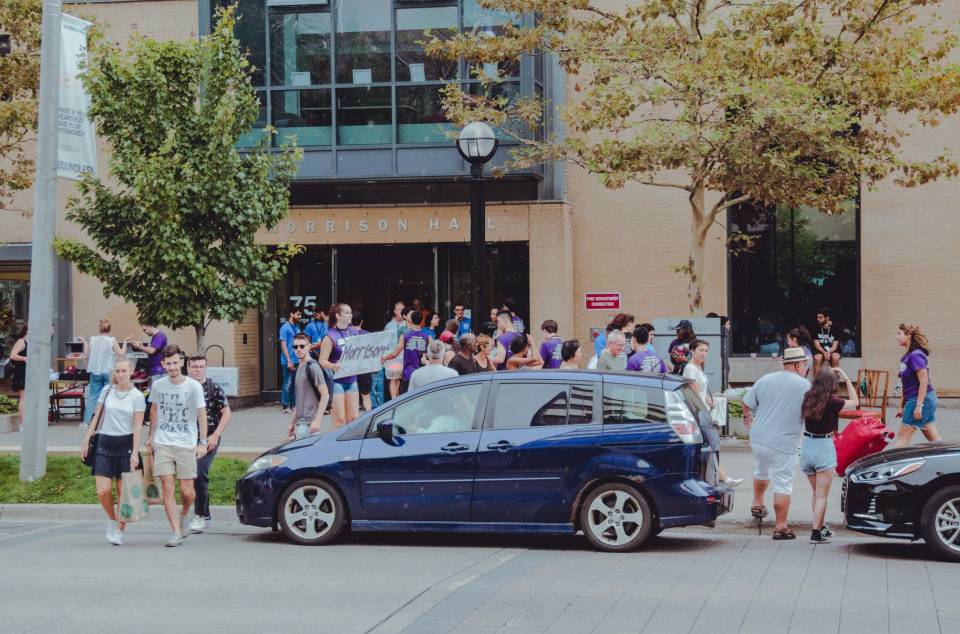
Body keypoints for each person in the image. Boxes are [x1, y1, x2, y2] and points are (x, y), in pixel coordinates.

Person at [742, 347, 811, 540]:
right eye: (805, 365)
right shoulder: (805, 385)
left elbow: (746, 404)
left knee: (762, 469)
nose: (806, 369)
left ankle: (757, 502)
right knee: (783, 482)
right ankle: (781, 526)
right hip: (784, 442)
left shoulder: (765, 379)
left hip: (758, 439)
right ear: (798, 365)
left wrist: (747, 417)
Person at [146, 345, 208, 547]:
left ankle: (184, 513)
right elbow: (154, 410)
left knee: (187, 491)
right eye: (168, 363)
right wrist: (151, 436)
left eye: (175, 363)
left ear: (181, 362)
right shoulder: (158, 386)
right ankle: (175, 532)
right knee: (167, 487)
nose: (172, 367)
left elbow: (201, 415)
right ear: (163, 364)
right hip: (163, 442)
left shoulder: (193, 386)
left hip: (186, 443)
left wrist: (203, 442)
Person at [80, 358, 145, 546]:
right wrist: (86, 439)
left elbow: (138, 426)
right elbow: (96, 416)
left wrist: (134, 453)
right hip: (104, 442)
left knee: (122, 491)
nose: (121, 374)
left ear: (131, 371)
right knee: (103, 491)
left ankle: (119, 530)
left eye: (124, 371)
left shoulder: (137, 396)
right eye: (118, 371)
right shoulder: (107, 390)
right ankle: (112, 518)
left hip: (125, 443)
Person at [801, 367, 858, 544]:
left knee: (816, 494)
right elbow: (855, 402)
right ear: (833, 384)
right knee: (822, 496)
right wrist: (846, 377)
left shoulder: (808, 398)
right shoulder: (833, 402)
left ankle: (821, 527)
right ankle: (816, 533)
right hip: (823, 447)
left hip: (807, 447)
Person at [683, 340, 741, 487]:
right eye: (700, 350)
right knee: (712, 444)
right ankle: (723, 478)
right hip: (699, 414)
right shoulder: (690, 369)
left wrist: (709, 400)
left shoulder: (698, 368)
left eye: (706, 351)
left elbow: (701, 391)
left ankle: (717, 477)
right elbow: (694, 394)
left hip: (703, 412)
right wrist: (704, 409)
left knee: (710, 446)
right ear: (692, 351)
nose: (704, 353)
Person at [185, 355, 232, 534]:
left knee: (199, 470)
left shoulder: (213, 388)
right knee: (191, 475)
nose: (198, 369)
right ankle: (205, 514)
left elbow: (227, 413)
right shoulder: (185, 388)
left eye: (201, 366)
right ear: (188, 368)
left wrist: (216, 435)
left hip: (210, 437)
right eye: (195, 366)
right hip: (188, 438)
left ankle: (199, 515)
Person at [894, 323, 940, 447]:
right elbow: (906, 385)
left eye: (899, 334)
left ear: (908, 335)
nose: (896, 337)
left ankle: (891, 465)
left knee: (903, 436)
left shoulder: (915, 355)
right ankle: (950, 460)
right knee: (933, 437)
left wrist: (919, 406)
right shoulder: (906, 357)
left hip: (920, 400)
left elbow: (924, 381)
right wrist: (901, 406)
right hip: (919, 399)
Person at [79, 319, 129, 430]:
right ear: (109, 329)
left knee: (92, 397)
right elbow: (121, 354)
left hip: (95, 371)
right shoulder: (112, 340)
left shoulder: (93, 340)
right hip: (108, 371)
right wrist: (125, 342)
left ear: (99, 328)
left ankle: (87, 423)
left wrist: (85, 343)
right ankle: (107, 422)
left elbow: (86, 355)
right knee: (109, 397)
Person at [319, 303, 360, 428]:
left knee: (353, 419)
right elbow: (322, 361)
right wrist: (334, 366)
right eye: (347, 313)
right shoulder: (329, 336)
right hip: (337, 381)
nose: (350, 315)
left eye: (351, 312)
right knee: (340, 421)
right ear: (338, 316)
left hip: (352, 379)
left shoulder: (354, 333)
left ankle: (352, 447)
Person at [287, 333, 329, 441]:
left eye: (302, 346)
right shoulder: (299, 367)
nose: (298, 349)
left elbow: (325, 394)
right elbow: (299, 400)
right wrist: (292, 423)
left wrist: (317, 421)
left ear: (309, 346)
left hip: (309, 425)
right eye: (295, 347)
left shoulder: (313, 367)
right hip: (301, 424)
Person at [381, 309, 431, 395]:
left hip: (408, 374)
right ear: (422, 321)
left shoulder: (404, 336)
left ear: (411, 319)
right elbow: (432, 355)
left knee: (406, 401)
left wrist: (385, 357)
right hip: (422, 374)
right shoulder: (428, 338)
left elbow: (395, 353)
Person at [276, 307, 302, 414]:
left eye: (300, 315)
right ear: (291, 314)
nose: (300, 317)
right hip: (288, 360)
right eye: (298, 314)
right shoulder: (285, 328)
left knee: (295, 384)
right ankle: (286, 406)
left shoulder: (297, 327)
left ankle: (294, 405)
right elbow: (283, 344)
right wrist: (288, 360)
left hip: (297, 360)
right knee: (287, 383)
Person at [383, 303, 407, 401]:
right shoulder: (389, 326)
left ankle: (398, 400)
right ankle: (394, 400)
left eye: (402, 309)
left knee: (401, 380)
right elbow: (384, 341)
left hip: (404, 356)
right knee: (394, 379)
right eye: (399, 309)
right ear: (395, 311)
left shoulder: (407, 324)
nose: (400, 311)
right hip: (393, 357)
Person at [351, 310, 373, 412]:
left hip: (351, 370)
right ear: (362, 322)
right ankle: (369, 414)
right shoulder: (368, 334)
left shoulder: (347, 335)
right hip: (365, 369)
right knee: (366, 395)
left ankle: (354, 423)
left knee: (353, 397)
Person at [9, 325, 28, 432]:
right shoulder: (21, 341)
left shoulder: (32, 343)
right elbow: (12, 355)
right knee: (23, 398)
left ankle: (28, 422)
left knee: (29, 399)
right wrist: (24, 358)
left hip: (30, 373)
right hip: (22, 372)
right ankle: (22, 424)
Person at [812, 308, 840, 374]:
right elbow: (817, 344)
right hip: (820, 349)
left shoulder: (836, 327)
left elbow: (835, 344)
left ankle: (834, 382)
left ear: (827, 318)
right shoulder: (815, 327)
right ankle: (818, 383)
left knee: (835, 357)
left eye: (820, 317)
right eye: (817, 317)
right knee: (817, 358)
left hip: (833, 349)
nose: (818, 319)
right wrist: (824, 352)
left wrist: (829, 352)